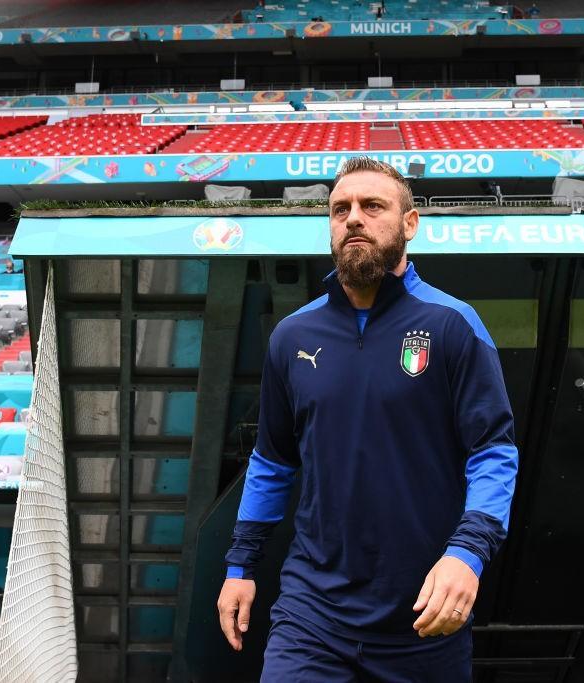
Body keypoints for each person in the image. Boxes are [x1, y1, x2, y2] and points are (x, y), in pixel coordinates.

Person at [217, 157, 519, 680]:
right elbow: (273, 460)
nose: (353, 218)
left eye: (372, 206)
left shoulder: (453, 325)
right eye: (340, 209)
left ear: (409, 223)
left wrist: (467, 553)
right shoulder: (291, 336)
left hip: (424, 615)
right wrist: (241, 565)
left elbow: (493, 451)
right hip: (312, 613)